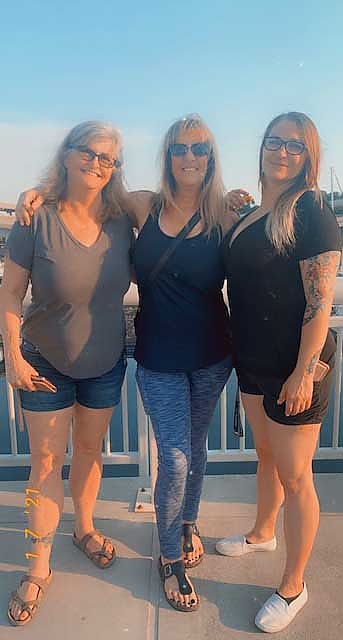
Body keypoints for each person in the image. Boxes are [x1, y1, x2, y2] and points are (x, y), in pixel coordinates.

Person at [15, 113, 238, 613]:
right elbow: (87, 193)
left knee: (191, 451)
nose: (189, 157)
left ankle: (178, 522)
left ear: (211, 157)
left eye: (199, 149)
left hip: (203, 357)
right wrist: (37, 191)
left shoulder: (222, 212)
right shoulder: (142, 205)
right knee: (169, 456)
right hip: (141, 356)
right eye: (179, 149)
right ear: (166, 157)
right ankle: (159, 556)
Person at [0, 121, 133, 625]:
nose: (98, 164)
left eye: (108, 159)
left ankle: (83, 528)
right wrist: (12, 355)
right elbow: (10, 293)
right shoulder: (36, 216)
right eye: (89, 153)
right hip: (44, 362)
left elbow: (174, 202)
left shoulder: (122, 219)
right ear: (68, 153)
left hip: (104, 362)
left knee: (91, 452)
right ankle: (38, 566)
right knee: (45, 463)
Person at [217, 112, 341, 633]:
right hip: (253, 360)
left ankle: (293, 585)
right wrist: (229, 207)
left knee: (296, 476)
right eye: (275, 142)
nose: (283, 151)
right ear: (263, 147)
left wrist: (304, 370)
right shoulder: (250, 214)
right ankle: (262, 532)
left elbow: (320, 302)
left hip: (298, 365)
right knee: (265, 456)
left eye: (295, 145)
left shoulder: (311, 209)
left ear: (308, 156)